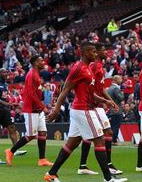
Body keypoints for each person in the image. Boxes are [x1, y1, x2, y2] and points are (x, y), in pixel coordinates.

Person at [44, 42, 127, 182]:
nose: (96, 54)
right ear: (86, 53)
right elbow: (65, 89)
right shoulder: (78, 68)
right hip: (83, 109)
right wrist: (56, 110)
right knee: (99, 140)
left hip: (80, 110)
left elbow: (89, 92)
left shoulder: (87, 68)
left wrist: (105, 101)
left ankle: (51, 174)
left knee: (72, 143)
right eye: (93, 52)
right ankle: (108, 178)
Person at [77, 43, 123, 176]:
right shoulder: (93, 66)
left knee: (85, 136)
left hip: (95, 104)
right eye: (103, 50)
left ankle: (83, 165)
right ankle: (107, 166)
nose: (106, 53)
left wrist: (110, 101)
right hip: (91, 105)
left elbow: (101, 88)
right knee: (105, 133)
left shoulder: (98, 66)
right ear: (95, 52)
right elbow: (90, 88)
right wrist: (104, 101)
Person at [5, 55, 53, 167]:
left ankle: (42, 159)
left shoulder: (35, 74)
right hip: (31, 109)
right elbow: (31, 94)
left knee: (42, 133)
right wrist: (43, 107)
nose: (43, 62)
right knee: (31, 135)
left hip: (37, 109)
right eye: (41, 60)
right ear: (36, 63)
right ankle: (11, 151)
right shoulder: (31, 74)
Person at [107, 76, 124, 144]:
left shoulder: (109, 88)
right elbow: (120, 98)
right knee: (116, 126)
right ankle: (114, 140)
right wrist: (122, 93)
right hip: (117, 110)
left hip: (111, 110)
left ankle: (110, 139)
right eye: (120, 79)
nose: (121, 80)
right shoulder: (115, 88)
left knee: (112, 126)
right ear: (116, 80)